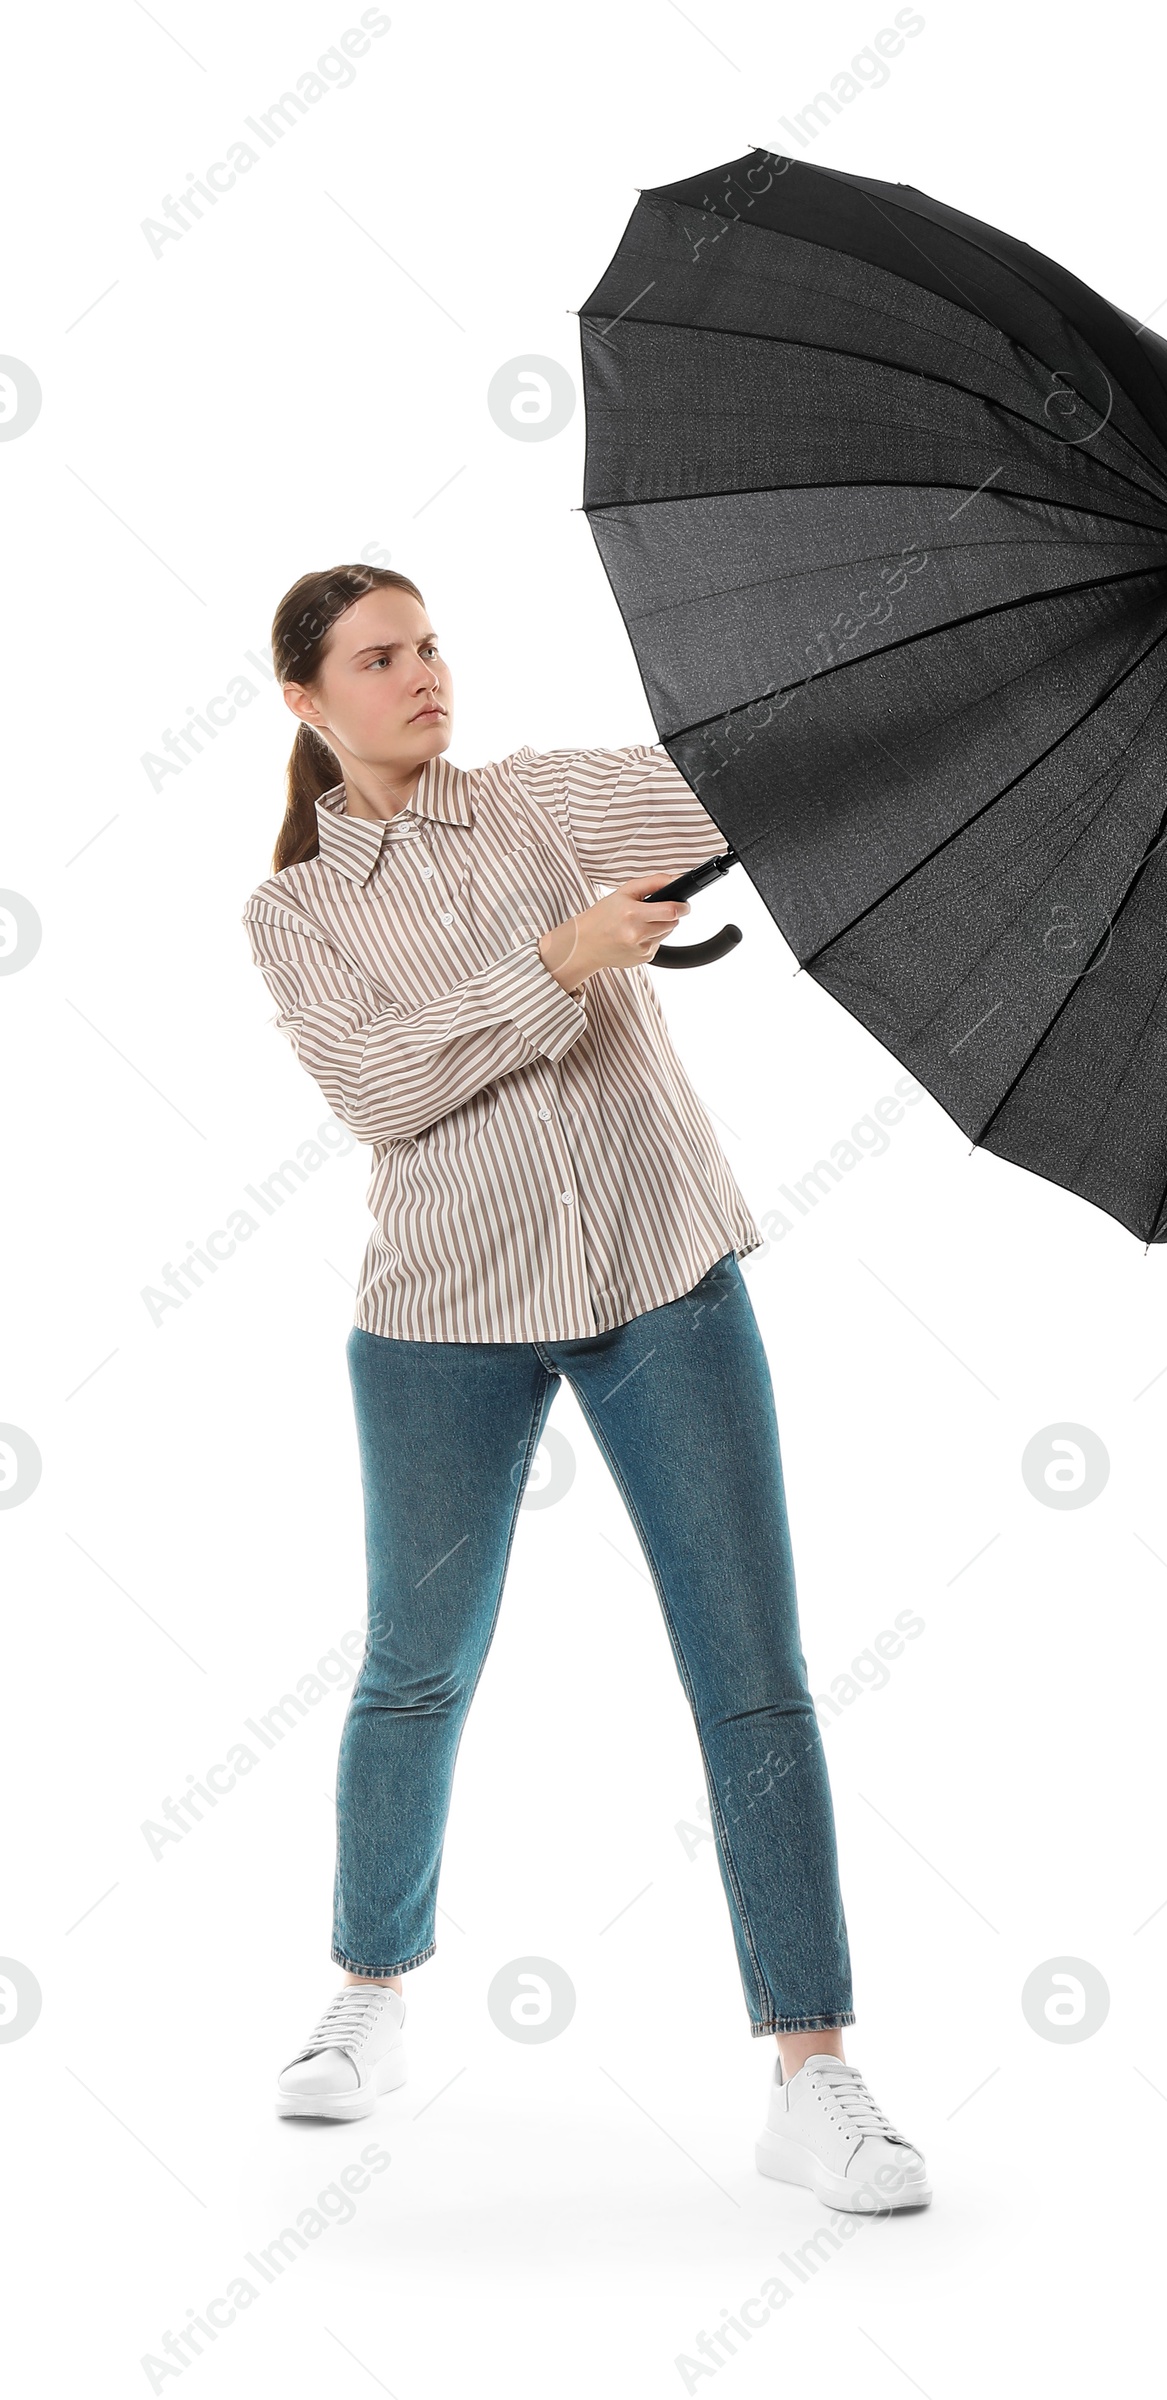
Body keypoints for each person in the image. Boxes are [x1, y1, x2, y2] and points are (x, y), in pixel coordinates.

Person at [239, 563, 929, 2215]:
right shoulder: (294, 912)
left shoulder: (545, 800)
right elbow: (385, 1089)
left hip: (657, 1277)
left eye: (431, 646)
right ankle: (371, 1990)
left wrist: (910, 662)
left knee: (752, 1672)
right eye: (381, 657)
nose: (424, 676)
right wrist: (559, 963)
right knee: (417, 1667)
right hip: (441, 1316)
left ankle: (812, 2073)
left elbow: (736, 771)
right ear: (307, 702)